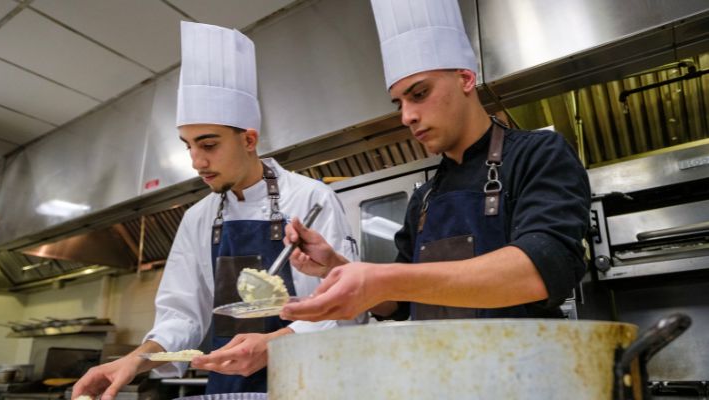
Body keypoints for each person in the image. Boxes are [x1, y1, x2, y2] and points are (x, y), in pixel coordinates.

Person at [72, 21, 355, 399]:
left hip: (311, 385)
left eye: (208, 144)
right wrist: (136, 359)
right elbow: (181, 316)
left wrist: (274, 343)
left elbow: (344, 308)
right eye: (188, 145)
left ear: (249, 139)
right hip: (230, 389)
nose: (196, 161)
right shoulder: (198, 218)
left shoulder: (310, 199)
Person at [281, 0, 590, 322]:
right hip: (440, 368)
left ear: (466, 79)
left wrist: (383, 278)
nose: (407, 116)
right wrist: (335, 266)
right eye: (398, 103)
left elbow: (542, 268)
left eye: (419, 94)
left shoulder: (537, 154)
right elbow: (397, 305)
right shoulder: (425, 198)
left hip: (524, 366)